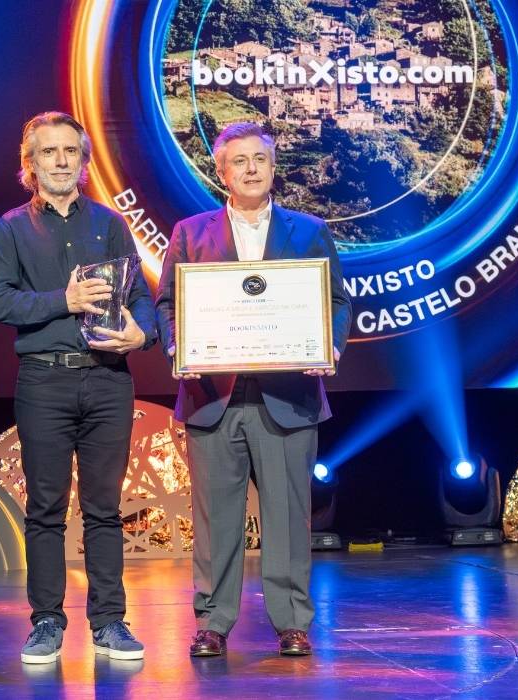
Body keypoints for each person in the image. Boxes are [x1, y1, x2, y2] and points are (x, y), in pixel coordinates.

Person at [155, 122, 352, 657]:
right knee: (216, 519)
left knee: (288, 516)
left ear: (273, 166)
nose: (250, 169)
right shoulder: (190, 233)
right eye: (238, 161)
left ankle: (292, 623)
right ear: (221, 172)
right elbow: (167, 304)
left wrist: (328, 346)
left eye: (259, 160)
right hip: (212, 398)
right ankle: (212, 623)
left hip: (288, 397)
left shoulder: (308, 230)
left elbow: (335, 301)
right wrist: (178, 348)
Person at [0, 111, 156, 664]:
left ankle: (109, 621)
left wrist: (142, 333)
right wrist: (65, 300)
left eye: (70, 151)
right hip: (44, 380)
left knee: (105, 507)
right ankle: (46, 622)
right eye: (48, 152)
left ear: (83, 161)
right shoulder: (11, 227)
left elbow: (143, 297)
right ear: (29, 163)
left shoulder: (109, 223)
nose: (60, 161)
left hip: (107, 380)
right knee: (45, 508)